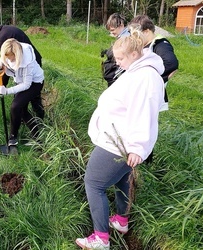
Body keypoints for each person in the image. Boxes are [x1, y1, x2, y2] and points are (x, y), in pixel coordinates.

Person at [75, 29, 165, 249]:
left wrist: (137, 147)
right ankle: (121, 222)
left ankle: (100, 239)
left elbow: (142, 113)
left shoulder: (144, 77)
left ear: (135, 54)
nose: (118, 63)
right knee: (122, 178)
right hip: (120, 139)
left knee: (93, 184)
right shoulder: (138, 70)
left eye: (121, 58)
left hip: (119, 143)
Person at [0, 21, 44, 121]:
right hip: (34, 60)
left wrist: (2, 84)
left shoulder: (1, 38)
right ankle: (37, 117)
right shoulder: (6, 29)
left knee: (24, 95)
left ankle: (26, 117)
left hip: (28, 65)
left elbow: (6, 62)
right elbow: (4, 60)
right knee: (34, 94)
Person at [0, 38, 44, 146]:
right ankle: (36, 138)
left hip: (35, 82)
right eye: (7, 57)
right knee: (21, 110)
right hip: (21, 81)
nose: (9, 60)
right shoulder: (8, 49)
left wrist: (7, 91)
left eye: (11, 58)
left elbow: (26, 84)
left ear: (17, 55)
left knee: (16, 106)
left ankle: (13, 137)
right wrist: (0, 64)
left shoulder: (27, 59)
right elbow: (3, 60)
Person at [129, 14, 179, 112]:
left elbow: (171, 64)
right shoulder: (145, 45)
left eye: (136, 35)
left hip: (150, 94)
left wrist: (151, 79)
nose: (134, 38)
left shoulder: (160, 45)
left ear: (147, 31)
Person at [102, 13, 130, 87]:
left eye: (113, 30)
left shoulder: (126, 38)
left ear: (121, 25)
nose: (111, 33)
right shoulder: (122, 36)